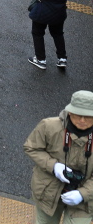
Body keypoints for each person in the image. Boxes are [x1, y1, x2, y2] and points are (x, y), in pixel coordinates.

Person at [25, 90, 93, 224]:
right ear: (70, 112)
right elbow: (31, 147)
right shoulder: (49, 126)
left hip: (86, 200)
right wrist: (53, 166)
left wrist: (83, 194)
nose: (82, 120)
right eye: (78, 115)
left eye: (88, 116)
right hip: (48, 192)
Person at [30, 0, 73, 70]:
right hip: (59, 14)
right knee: (58, 34)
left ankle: (41, 60)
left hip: (42, 14)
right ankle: (62, 58)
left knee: (38, 33)